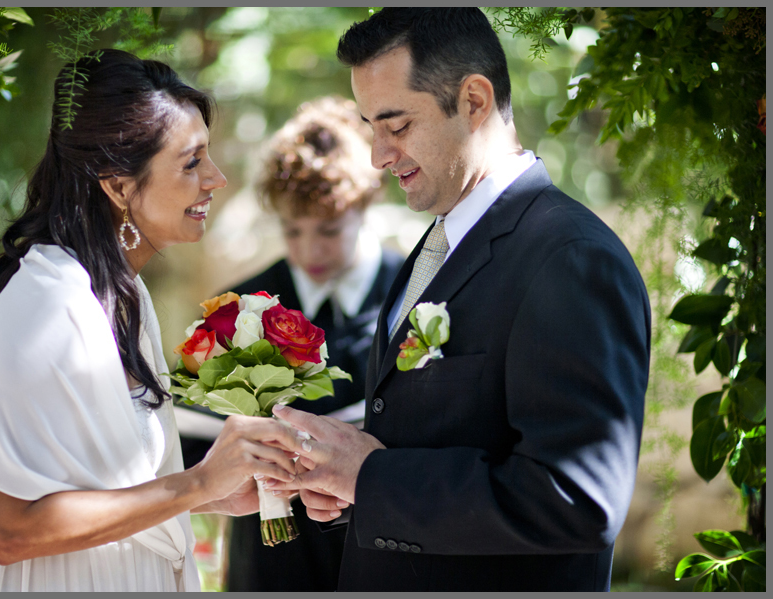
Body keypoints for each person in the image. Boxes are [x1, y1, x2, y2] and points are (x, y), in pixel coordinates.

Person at [266, 8, 651, 592]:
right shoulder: (438, 243)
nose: (377, 156)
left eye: (397, 126)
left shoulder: (571, 259)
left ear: (474, 101)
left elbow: (576, 498)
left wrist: (371, 477)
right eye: (370, 127)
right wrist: (351, 489)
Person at [0, 49, 300, 592]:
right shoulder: (46, 306)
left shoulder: (124, 293)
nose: (216, 179)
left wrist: (218, 493)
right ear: (119, 185)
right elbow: (11, 531)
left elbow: (98, 484)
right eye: (192, 162)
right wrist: (198, 483)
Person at [175, 96, 403, 591]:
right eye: (292, 230)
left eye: (329, 230)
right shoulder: (241, 306)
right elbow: (189, 442)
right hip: (273, 560)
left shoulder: (413, 294)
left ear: (365, 204)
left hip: (387, 552)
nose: (309, 250)